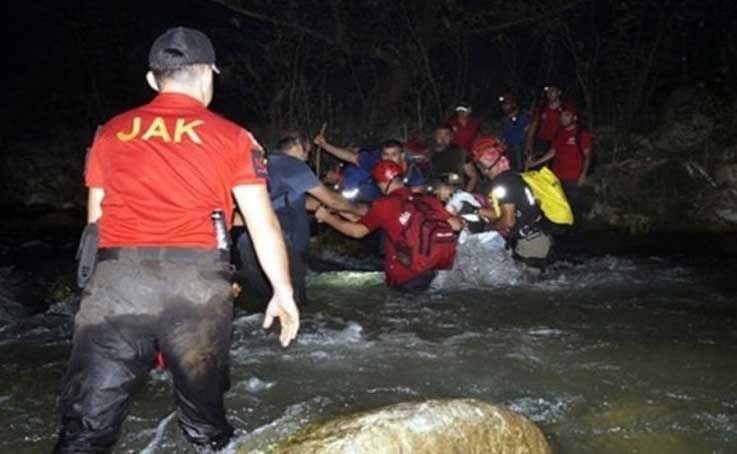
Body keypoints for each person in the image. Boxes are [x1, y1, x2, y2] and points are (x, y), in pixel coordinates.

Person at [54, 27, 299, 453]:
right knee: (205, 425)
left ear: (153, 80)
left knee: (86, 429)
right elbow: (263, 223)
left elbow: (96, 221)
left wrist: (93, 287)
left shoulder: (111, 132)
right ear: (209, 74)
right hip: (196, 287)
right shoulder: (233, 136)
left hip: (117, 284)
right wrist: (282, 291)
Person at [232, 135, 364, 305]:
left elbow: (291, 201)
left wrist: (331, 211)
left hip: (252, 241)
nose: (307, 157)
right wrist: (359, 210)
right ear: (297, 147)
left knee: (266, 303)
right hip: (284, 244)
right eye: (307, 152)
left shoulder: (266, 165)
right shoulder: (293, 165)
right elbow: (332, 199)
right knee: (294, 305)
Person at [315, 160, 463, 291]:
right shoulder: (427, 199)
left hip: (404, 276)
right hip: (431, 270)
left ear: (382, 183)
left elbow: (357, 232)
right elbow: (456, 225)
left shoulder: (384, 205)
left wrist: (327, 217)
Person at [472, 136, 553, 270]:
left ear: (486, 164)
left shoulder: (503, 183)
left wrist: (486, 228)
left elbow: (508, 221)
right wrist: (475, 210)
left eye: (480, 165)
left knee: (526, 288)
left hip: (531, 243)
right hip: (537, 237)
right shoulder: (511, 177)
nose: (481, 170)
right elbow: (503, 212)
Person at [527, 103, 592, 222]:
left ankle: (577, 231)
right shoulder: (559, 133)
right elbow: (552, 152)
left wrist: (583, 175)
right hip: (557, 177)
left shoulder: (581, 134)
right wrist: (534, 164)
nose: (563, 118)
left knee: (574, 209)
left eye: (567, 115)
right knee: (561, 207)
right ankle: (563, 232)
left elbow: (588, 156)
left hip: (573, 178)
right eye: (562, 116)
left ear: (574, 117)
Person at [313, 135, 427, 198]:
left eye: (394, 155)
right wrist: (325, 146)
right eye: (385, 155)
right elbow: (350, 157)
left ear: (402, 155)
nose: (389, 159)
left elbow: (419, 194)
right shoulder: (376, 164)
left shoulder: (413, 173)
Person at [428, 126, 479, 192]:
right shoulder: (428, 154)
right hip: (433, 192)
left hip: (456, 191)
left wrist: (466, 194)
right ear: (435, 136)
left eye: (446, 134)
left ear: (451, 137)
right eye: (440, 134)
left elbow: (473, 176)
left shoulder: (459, 153)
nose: (443, 138)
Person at [525, 84, 563, 167]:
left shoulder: (564, 110)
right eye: (548, 91)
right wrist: (529, 143)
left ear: (559, 92)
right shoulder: (542, 109)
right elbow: (533, 126)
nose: (549, 94)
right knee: (538, 168)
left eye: (552, 91)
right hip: (541, 143)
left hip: (557, 142)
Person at [498, 93, 530, 172]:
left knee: (520, 168)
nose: (504, 107)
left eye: (507, 104)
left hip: (519, 146)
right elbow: (505, 132)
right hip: (508, 146)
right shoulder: (505, 118)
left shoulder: (522, 115)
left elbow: (528, 130)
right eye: (503, 104)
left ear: (513, 104)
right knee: (510, 168)